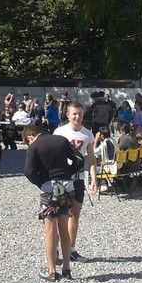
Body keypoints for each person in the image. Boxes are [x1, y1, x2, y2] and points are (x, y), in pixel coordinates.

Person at [22, 124, 81, 281]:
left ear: (30, 136)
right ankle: (67, 269)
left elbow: (28, 172)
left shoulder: (34, 146)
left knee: (50, 230)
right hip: (67, 186)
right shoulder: (62, 140)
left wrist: (41, 182)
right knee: (64, 228)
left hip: (49, 187)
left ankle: (52, 271)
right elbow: (80, 159)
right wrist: (68, 173)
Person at [54, 101, 98, 262]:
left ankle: (71, 249)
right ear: (68, 115)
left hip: (79, 179)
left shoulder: (88, 134)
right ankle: (57, 249)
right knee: (59, 214)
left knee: (74, 214)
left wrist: (94, 179)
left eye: (80, 113)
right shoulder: (59, 132)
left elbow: (91, 158)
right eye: (74, 114)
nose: (77, 117)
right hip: (62, 179)